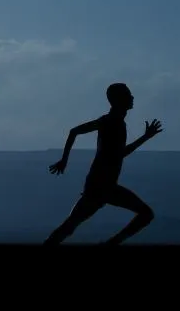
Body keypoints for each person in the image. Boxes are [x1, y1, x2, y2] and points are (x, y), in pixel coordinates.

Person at [43, 82, 163, 246]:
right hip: (100, 186)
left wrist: (64, 160)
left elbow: (77, 133)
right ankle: (111, 244)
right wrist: (64, 160)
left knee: (70, 225)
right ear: (119, 99)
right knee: (146, 214)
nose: (132, 97)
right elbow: (76, 132)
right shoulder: (109, 122)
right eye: (128, 95)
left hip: (104, 185)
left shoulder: (116, 123)